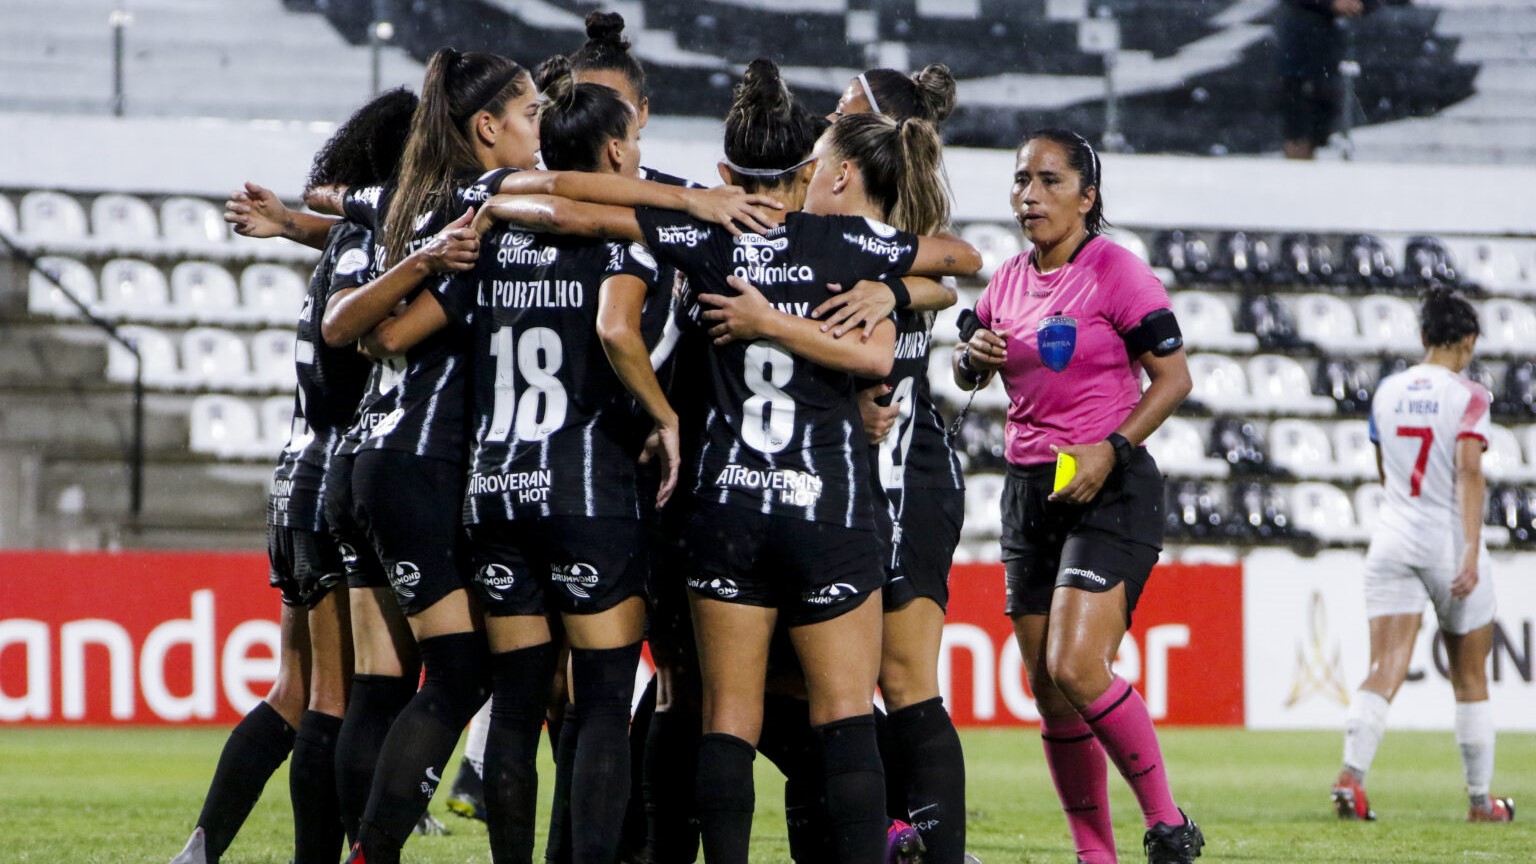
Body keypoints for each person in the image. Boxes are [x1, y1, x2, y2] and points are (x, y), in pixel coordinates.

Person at [170, 88, 418, 864]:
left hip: (295, 474)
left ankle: (203, 847)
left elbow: (345, 232)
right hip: (339, 474)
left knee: (297, 690)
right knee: (337, 699)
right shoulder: (375, 248)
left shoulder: (352, 240)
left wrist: (284, 224)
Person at [953, 129, 1201, 864]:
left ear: (1087, 197)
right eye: (1021, 179)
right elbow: (971, 367)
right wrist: (972, 357)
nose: (1029, 194)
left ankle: (1167, 825)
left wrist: (1113, 447)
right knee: (1049, 690)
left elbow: (1175, 378)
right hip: (1031, 489)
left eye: (1050, 181)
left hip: (1107, 483)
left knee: (1076, 666)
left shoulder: (1116, 271)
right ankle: (1096, 855)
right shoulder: (1005, 281)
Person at [822, 61, 970, 864]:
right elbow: (948, 271)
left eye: (844, 111)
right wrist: (905, 287)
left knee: (905, 677)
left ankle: (937, 847)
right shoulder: (888, 234)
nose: (832, 124)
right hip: (868, 472)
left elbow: (957, 269)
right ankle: (904, 832)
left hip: (904, 474)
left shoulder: (899, 227)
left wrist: (898, 290)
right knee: (839, 683)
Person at [1330, 287, 1514, 824]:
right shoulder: (1469, 395)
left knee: (1384, 666)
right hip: (1447, 543)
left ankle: (1351, 777)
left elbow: (1387, 472)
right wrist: (1471, 553)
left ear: (1422, 337)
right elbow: (1468, 471)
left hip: (1391, 536)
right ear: (1470, 340)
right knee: (1471, 679)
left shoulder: (1387, 391)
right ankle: (1481, 801)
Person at [1276, 0, 1365, 159]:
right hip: (1303, 46)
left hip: (1335, 48)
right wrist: (1331, 4)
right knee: (1300, 120)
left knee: (1324, 114)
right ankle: (1299, 161)